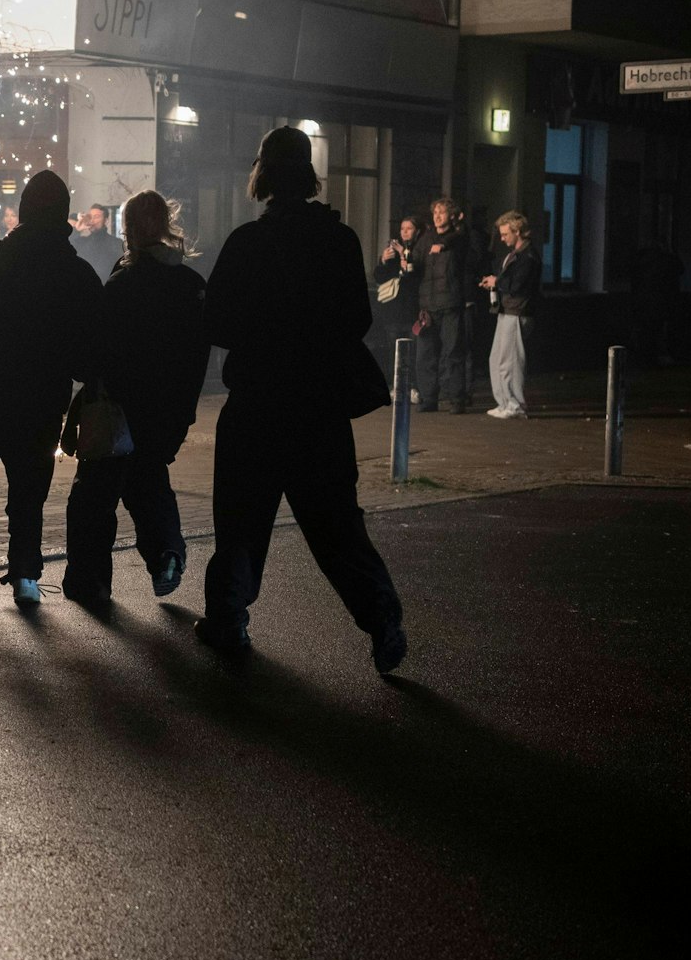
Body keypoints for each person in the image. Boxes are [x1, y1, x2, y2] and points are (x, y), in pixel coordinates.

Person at [198, 126, 406, 674]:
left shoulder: (247, 242)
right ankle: (381, 617)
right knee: (337, 527)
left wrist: (260, 331)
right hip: (319, 406)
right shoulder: (340, 241)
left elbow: (214, 321)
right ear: (309, 174)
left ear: (262, 174)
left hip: (257, 403)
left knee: (241, 522)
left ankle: (228, 618)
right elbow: (357, 319)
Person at [0, 170, 102, 607]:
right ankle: (25, 571)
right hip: (44, 396)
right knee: (29, 489)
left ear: (24, 212)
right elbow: (91, 345)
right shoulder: (77, 273)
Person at [62, 189, 209, 605]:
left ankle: (90, 581)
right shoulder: (191, 285)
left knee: (94, 496)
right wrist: (184, 411)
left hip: (119, 409)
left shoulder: (123, 283)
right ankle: (166, 553)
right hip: (168, 409)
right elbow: (198, 357)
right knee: (149, 481)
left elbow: (100, 350)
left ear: (128, 229)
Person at [480, 210, 542, 419]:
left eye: (506, 234)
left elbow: (518, 285)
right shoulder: (516, 255)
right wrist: (496, 282)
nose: (502, 238)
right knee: (497, 358)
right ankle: (504, 401)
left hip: (517, 311)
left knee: (510, 361)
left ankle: (514, 404)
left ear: (518, 232)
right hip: (508, 310)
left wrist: (497, 282)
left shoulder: (528, 257)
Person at [414, 196, 472, 413]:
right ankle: (429, 398)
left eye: (442, 212)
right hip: (428, 305)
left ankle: (456, 399)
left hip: (450, 304)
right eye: (435, 212)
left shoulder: (459, 237)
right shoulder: (426, 238)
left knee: (453, 352)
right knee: (426, 355)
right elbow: (416, 261)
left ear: (452, 215)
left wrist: (444, 243)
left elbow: (461, 238)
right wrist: (403, 260)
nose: (437, 216)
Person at [371, 215, 424, 381]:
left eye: (409, 228)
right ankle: (395, 384)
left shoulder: (420, 250)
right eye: (402, 229)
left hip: (412, 309)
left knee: (413, 350)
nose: (405, 232)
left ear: (417, 231)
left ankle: (412, 384)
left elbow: (415, 278)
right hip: (393, 310)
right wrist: (383, 260)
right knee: (393, 350)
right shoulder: (393, 251)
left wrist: (405, 255)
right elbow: (379, 277)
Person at [70, 202, 122, 284]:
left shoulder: (116, 243)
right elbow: (65, 248)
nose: (92, 220)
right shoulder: (82, 242)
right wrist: (77, 230)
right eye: (90, 217)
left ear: (106, 221)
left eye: (96, 217)